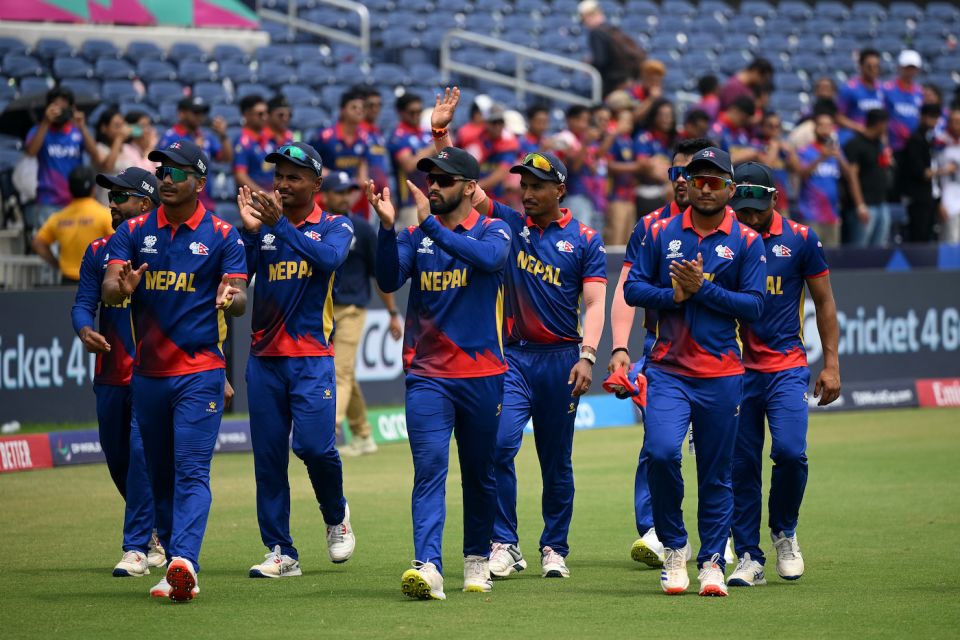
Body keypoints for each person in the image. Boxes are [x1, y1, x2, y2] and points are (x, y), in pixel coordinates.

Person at [431, 87, 607, 580]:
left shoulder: (586, 240)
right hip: (512, 360)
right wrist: (441, 134)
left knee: (556, 460)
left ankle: (555, 547)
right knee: (498, 447)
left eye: (536, 185)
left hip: (561, 358)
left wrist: (588, 354)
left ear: (559, 190)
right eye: (522, 183)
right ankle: (505, 541)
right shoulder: (509, 222)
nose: (526, 192)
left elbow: (594, 303)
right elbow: (465, 188)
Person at [102, 139, 248, 602]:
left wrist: (232, 297)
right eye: (162, 171)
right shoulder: (134, 230)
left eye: (176, 172)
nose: (166, 178)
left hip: (200, 371)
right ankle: (171, 556)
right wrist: (117, 288)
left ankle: (185, 560)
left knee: (190, 471)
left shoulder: (224, 234)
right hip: (147, 376)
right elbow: (110, 286)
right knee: (159, 473)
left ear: (199, 182)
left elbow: (240, 296)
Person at [368, 146, 512, 601]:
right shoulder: (415, 235)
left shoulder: (496, 229)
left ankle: (475, 558)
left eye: (445, 180)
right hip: (428, 375)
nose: (433, 185)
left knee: (480, 473)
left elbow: (487, 261)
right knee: (429, 468)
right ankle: (427, 564)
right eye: (431, 178)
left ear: (471, 188)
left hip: (483, 374)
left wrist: (429, 224)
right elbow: (390, 280)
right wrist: (388, 228)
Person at [623, 147, 766, 597]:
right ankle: (674, 547)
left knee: (716, 471)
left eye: (713, 181)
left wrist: (703, 289)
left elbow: (756, 306)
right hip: (667, 370)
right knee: (663, 454)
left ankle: (709, 562)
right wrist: (676, 297)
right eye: (696, 179)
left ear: (729, 188)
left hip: (722, 372)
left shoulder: (746, 240)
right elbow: (632, 289)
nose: (703, 188)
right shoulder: (662, 232)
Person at [236, 142, 356, 579]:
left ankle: (336, 513)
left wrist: (279, 226)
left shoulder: (334, 226)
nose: (283, 184)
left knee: (312, 447)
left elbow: (328, 259)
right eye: (279, 176)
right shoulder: (265, 227)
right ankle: (280, 551)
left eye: (294, 177)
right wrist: (250, 233)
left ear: (316, 183)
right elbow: (239, 275)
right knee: (268, 459)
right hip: (264, 359)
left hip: (311, 358)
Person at [727, 162, 841, 587]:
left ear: (775, 200)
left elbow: (825, 302)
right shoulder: (725, 239)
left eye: (757, 210)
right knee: (740, 465)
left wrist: (831, 363)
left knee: (791, 453)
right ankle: (748, 557)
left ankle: (784, 532)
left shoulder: (801, 238)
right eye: (743, 210)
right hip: (732, 369)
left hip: (785, 367)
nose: (750, 218)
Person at [607, 137, 717, 567]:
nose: (682, 182)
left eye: (691, 174)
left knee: (716, 449)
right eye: (675, 174)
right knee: (659, 444)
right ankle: (657, 530)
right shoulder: (651, 226)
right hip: (663, 355)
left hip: (719, 356)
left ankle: (720, 536)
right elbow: (626, 289)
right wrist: (619, 346)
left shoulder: (733, 227)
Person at [71, 166, 164, 578]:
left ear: (144, 203)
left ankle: (136, 547)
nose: (112, 204)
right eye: (110, 197)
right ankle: (159, 526)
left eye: (121, 196)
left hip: (153, 374)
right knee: (119, 460)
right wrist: (84, 328)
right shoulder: (98, 251)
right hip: (109, 374)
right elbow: (82, 302)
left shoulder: (166, 249)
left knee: (143, 455)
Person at [323, 171, 402, 456]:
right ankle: (364, 435)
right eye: (339, 192)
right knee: (347, 375)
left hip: (353, 309)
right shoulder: (316, 226)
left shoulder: (362, 229)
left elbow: (380, 274)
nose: (346, 197)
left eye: (349, 192)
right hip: (323, 312)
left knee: (339, 371)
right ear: (325, 194)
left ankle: (328, 431)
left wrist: (393, 313)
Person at [788, 110, 866, 247]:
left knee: (832, 260)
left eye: (829, 126)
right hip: (811, 214)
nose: (825, 129)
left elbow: (849, 175)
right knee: (811, 258)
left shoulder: (836, 153)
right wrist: (821, 157)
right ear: (815, 128)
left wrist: (839, 157)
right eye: (821, 125)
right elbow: (802, 174)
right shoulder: (805, 151)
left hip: (832, 215)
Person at [24, 86, 99, 228]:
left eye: (63, 106)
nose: (59, 110)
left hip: (76, 201)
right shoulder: (39, 130)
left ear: (71, 108)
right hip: (49, 201)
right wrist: (45, 122)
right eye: (55, 106)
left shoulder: (77, 132)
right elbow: (31, 152)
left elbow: (95, 156)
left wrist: (82, 127)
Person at [32, 166, 113, 284]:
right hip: (96, 280)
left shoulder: (58, 218)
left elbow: (37, 243)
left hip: (67, 281)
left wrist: (57, 263)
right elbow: (120, 244)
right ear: (93, 189)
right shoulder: (105, 215)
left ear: (69, 189)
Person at [157, 96, 233, 211]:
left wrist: (223, 136)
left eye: (202, 112)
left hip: (205, 201)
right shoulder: (170, 137)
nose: (200, 116)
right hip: (181, 200)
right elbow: (165, 168)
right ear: (182, 114)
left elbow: (226, 158)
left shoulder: (205, 135)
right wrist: (194, 147)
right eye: (195, 112)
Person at [842, 109, 893, 246]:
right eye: (885, 124)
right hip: (864, 205)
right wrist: (860, 205)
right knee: (860, 249)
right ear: (879, 124)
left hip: (880, 202)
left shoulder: (878, 144)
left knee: (879, 248)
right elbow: (852, 176)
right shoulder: (855, 144)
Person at [903, 104, 951, 242]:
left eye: (937, 118)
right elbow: (920, 172)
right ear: (922, 117)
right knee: (919, 236)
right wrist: (944, 170)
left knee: (929, 235)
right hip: (919, 197)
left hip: (930, 196)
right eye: (932, 117)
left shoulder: (929, 139)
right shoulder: (915, 140)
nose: (935, 121)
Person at [579, 0, 645, 96]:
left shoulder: (596, 33)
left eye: (583, 20)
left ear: (588, 17)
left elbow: (600, 60)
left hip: (612, 83)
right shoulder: (612, 30)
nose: (584, 24)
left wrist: (589, 65)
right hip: (626, 80)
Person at [459, 103, 520, 202]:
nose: (498, 126)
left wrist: (469, 189)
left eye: (500, 122)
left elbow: (500, 175)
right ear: (486, 123)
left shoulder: (509, 143)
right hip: (472, 197)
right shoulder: (476, 139)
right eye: (494, 122)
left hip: (495, 200)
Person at [312, 90, 369, 193]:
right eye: (354, 107)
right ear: (342, 110)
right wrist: (325, 173)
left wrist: (363, 180)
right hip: (326, 191)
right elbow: (307, 158)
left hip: (351, 192)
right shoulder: (325, 136)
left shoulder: (364, 138)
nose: (359, 111)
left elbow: (362, 164)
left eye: (362, 108)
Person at [837, 48, 885, 141]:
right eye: (869, 66)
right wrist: (861, 129)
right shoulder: (849, 88)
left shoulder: (882, 89)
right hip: (853, 138)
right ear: (861, 66)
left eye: (876, 66)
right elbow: (839, 117)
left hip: (875, 139)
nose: (873, 70)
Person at [884, 50, 925, 156]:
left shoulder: (920, 92)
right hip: (893, 145)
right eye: (907, 67)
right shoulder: (887, 89)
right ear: (899, 68)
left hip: (915, 145)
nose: (910, 71)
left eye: (913, 68)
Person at [233, 94, 276, 193]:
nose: (265, 117)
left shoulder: (270, 139)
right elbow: (240, 175)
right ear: (247, 115)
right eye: (260, 114)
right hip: (253, 200)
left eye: (266, 113)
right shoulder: (243, 142)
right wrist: (264, 195)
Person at [357, 86, 391, 199]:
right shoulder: (356, 132)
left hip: (379, 194)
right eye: (371, 105)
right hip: (362, 194)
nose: (375, 109)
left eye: (378, 105)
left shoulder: (377, 132)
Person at [936, 106, 960, 244]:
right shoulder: (940, 143)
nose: (956, 125)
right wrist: (939, 202)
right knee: (951, 241)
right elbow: (934, 178)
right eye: (954, 121)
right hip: (948, 200)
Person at [711, 96, 760, 164]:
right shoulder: (715, 129)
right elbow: (713, 161)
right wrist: (742, 156)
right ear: (734, 110)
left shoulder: (741, 132)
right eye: (742, 119)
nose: (744, 123)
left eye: (746, 120)